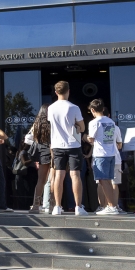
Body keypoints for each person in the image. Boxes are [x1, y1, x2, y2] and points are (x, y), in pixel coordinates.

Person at [47, 82, 88, 216]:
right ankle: (78, 207)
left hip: (57, 145)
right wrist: (77, 126)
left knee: (59, 175)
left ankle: (57, 206)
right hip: (73, 144)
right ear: (68, 91)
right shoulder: (74, 107)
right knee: (75, 175)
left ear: (56, 92)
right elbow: (82, 128)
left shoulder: (51, 108)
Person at [86, 99, 122, 215]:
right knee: (108, 181)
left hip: (100, 154)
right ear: (103, 108)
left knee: (103, 180)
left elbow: (91, 138)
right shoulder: (111, 122)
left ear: (92, 110)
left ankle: (111, 206)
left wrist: (84, 137)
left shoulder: (94, 122)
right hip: (111, 153)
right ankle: (112, 206)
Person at [26, 106, 52, 213]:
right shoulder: (52, 123)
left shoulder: (36, 125)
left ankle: (36, 205)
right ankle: (53, 205)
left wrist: (38, 144)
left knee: (41, 180)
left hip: (42, 153)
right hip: (53, 150)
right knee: (53, 179)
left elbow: (27, 138)